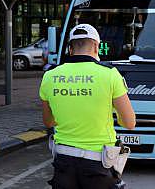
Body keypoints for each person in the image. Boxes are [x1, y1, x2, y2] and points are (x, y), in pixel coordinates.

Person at [39, 23, 136, 189]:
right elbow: (129, 122)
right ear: (96, 46)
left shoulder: (50, 76)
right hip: (98, 165)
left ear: (70, 48)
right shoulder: (109, 74)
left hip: (63, 162)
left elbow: (48, 122)